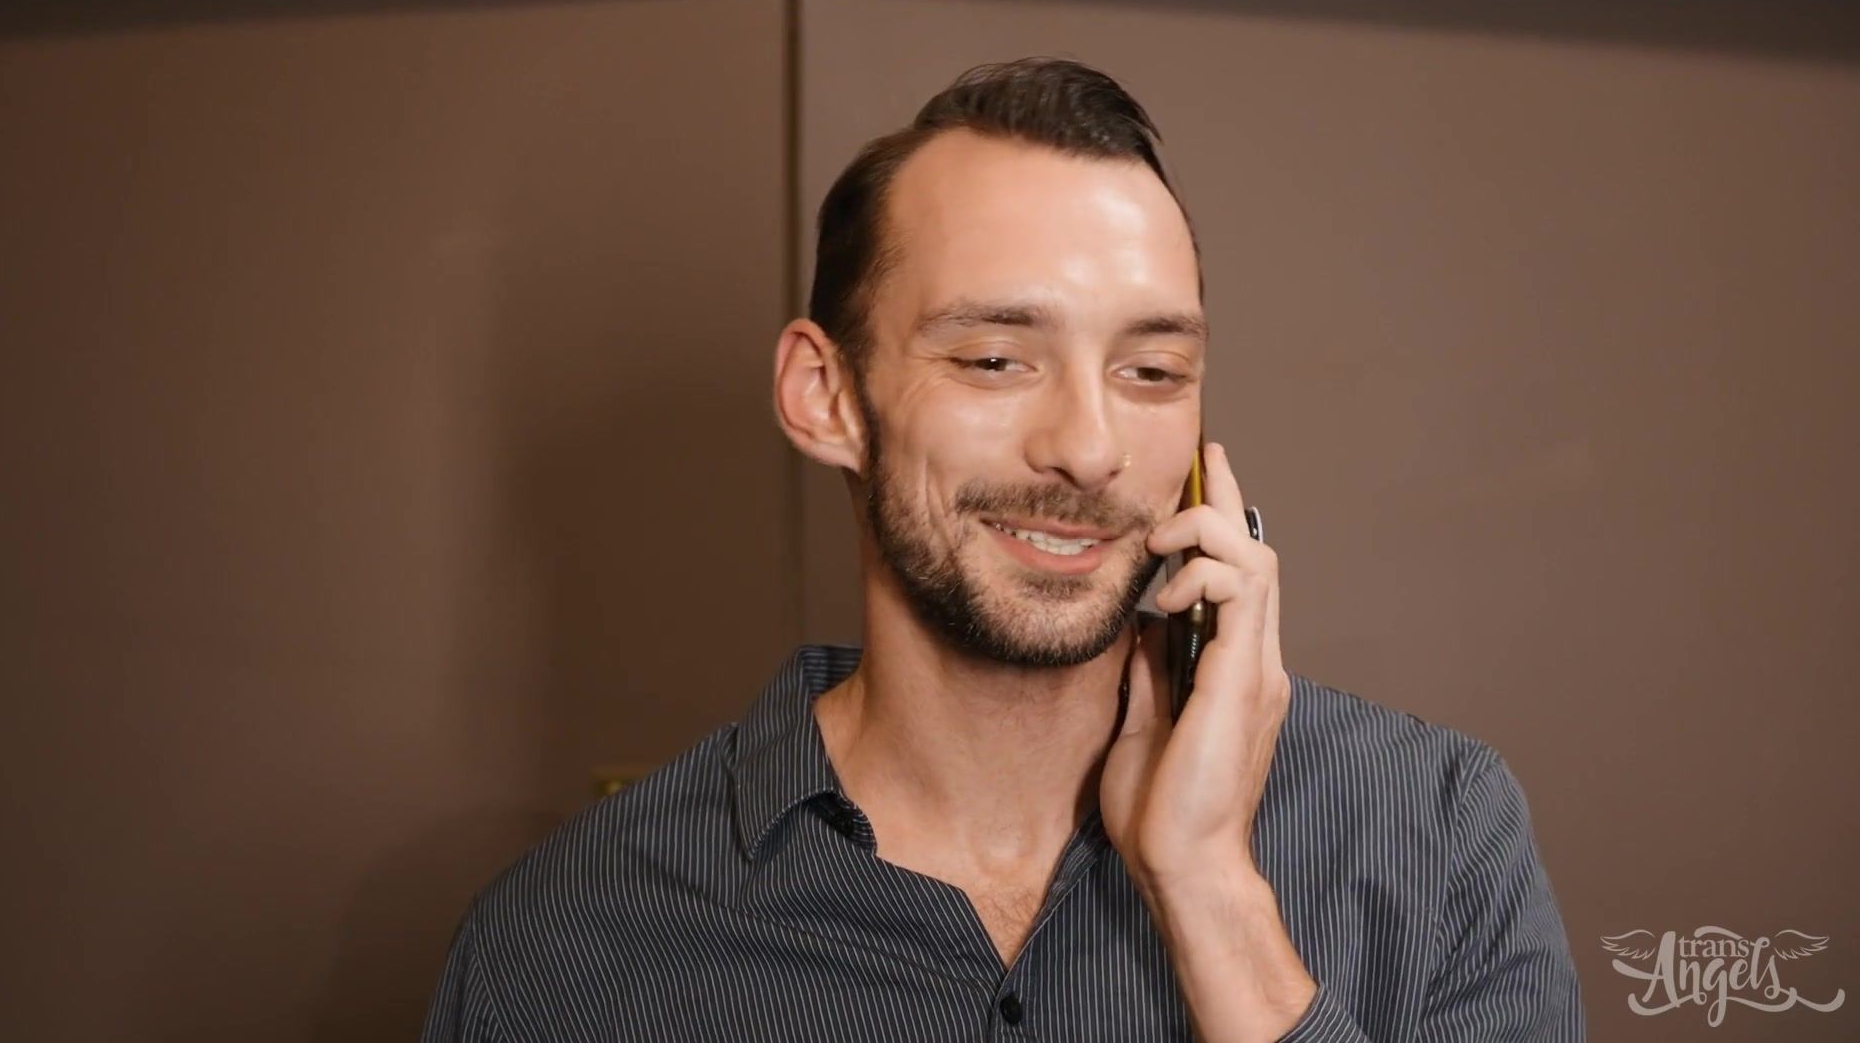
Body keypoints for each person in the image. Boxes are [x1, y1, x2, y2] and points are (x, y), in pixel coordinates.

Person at [421, 57, 1584, 1042]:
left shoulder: (1435, 830)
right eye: (994, 360)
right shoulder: (566, 940)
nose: (1089, 448)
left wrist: (1213, 893)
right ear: (826, 396)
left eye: (1152, 372)